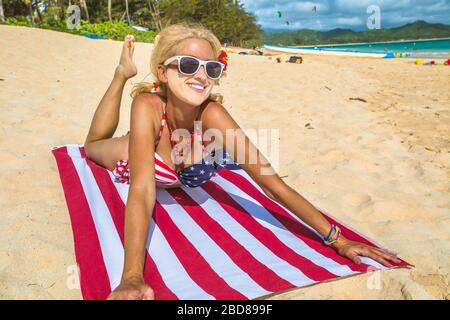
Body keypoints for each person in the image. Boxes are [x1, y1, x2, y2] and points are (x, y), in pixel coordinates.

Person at [84, 23, 401, 300]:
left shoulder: (213, 115)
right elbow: (141, 189)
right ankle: (120, 75)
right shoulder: (148, 106)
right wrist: (132, 276)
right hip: (144, 151)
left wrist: (338, 239)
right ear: (163, 73)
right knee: (93, 147)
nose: (200, 75)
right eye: (188, 64)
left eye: (210, 68)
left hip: (183, 154)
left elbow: (271, 182)